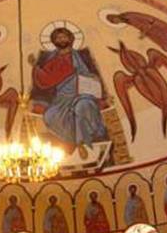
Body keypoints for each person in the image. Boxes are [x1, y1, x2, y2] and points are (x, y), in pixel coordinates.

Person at [29, 27, 108, 156]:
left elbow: (93, 74)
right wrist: (35, 66)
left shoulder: (82, 56)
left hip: (83, 93)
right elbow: (45, 79)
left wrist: (94, 80)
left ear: (70, 38)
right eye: (58, 38)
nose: (61, 39)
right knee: (50, 115)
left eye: (63, 37)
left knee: (82, 106)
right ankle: (71, 142)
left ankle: (82, 143)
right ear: (54, 41)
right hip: (62, 97)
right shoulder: (52, 60)